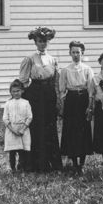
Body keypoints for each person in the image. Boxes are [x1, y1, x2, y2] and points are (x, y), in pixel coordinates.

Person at [18, 26, 62, 172]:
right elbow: (23, 79)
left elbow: (56, 80)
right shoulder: (30, 59)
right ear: (35, 42)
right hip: (35, 95)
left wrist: (57, 97)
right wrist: (27, 95)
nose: (43, 44)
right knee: (36, 127)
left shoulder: (52, 59)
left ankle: (52, 163)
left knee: (50, 126)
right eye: (40, 41)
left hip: (49, 94)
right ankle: (36, 163)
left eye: (45, 41)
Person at [58, 39, 94, 174]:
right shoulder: (65, 70)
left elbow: (91, 89)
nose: (75, 55)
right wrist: (62, 105)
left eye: (78, 52)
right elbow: (62, 90)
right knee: (71, 130)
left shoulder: (87, 69)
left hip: (84, 98)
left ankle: (82, 164)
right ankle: (74, 162)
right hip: (71, 101)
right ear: (69, 53)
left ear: (82, 53)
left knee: (83, 130)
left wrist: (90, 106)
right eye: (73, 52)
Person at [2, 79, 33, 173]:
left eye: (18, 91)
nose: (16, 93)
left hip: (23, 130)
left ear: (22, 91)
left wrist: (23, 129)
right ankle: (12, 168)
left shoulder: (26, 102)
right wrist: (13, 130)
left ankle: (23, 168)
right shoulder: (8, 103)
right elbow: (5, 119)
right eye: (14, 91)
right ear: (10, 92)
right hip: (12, 130)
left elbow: (29, 117)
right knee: (12, 151)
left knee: (22, 151)